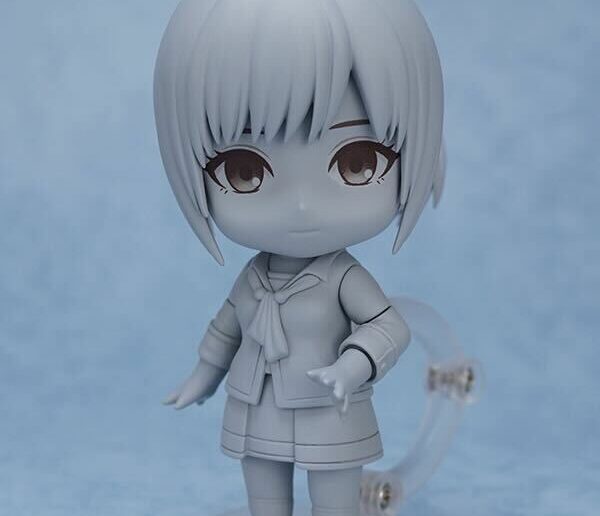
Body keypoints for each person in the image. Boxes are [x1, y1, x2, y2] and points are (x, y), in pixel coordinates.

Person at [154, 0, 445, 514]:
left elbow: (388, 326)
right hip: (256, 406)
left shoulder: (342, 277)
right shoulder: (254, 276)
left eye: (357, 162)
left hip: (328, 409)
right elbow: (228, 326)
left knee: (333, 499)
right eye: (244, 171)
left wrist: (353, 366)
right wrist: (204, 374)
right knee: (264, 495)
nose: (303, 206)